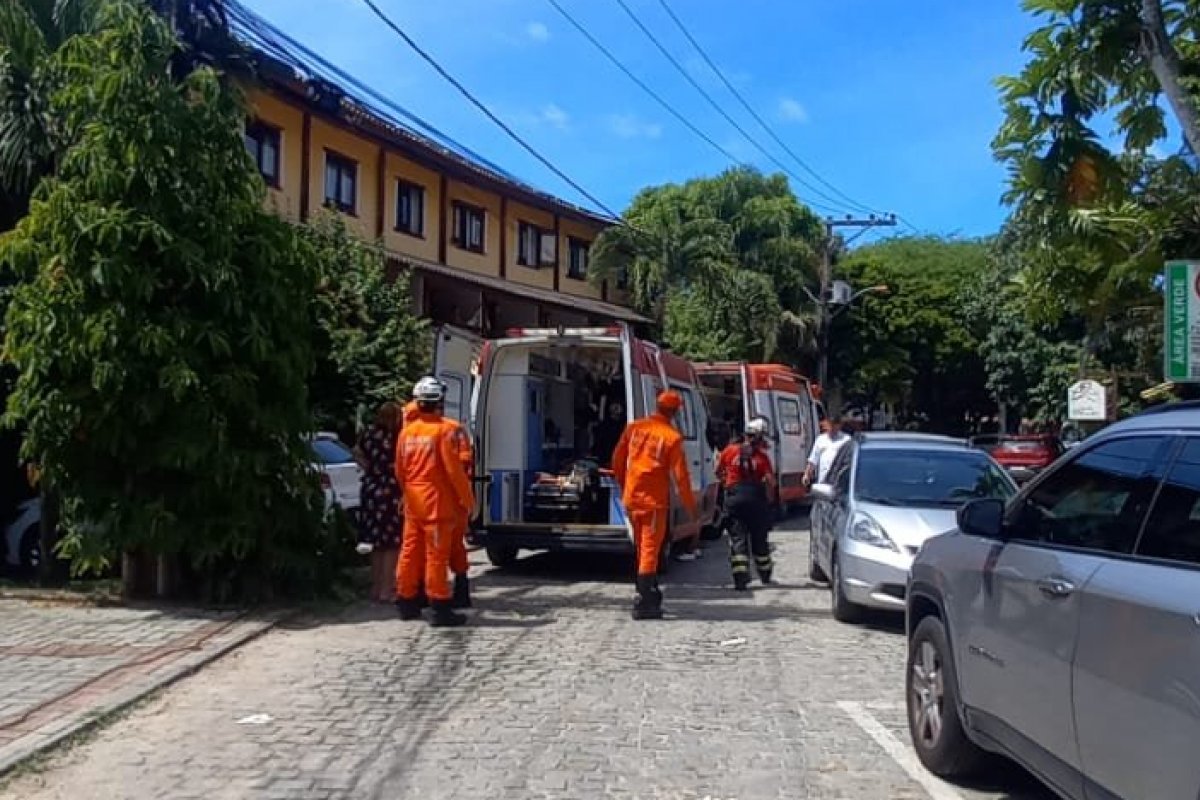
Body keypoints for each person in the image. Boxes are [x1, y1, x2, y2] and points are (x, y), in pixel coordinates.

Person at [394, 377, 475, 627]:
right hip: (437, 504)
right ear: (439, 401)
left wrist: (406, 494)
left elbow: (400, 469)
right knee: (436, 557)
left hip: (413, 502)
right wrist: (469, 501)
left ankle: (406, 602)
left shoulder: (407, 432)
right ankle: (440, 607)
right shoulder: (446, 430)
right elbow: (454, 471)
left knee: (409, 552)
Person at [611, 391, 697, 620]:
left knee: (641, 546)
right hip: (654, 502)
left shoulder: (635, 428)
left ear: (657, 406)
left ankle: (650, 590)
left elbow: (618, 459)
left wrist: (623, 483)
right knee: (650, 548)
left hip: (632, 498)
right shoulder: (671, 437)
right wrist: (691, 509)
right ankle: (644, 600)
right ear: (675, 412)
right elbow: (681, 477)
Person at [716, 417, 776, 590]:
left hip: (734, 499)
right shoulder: (762, 458)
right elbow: (771, 482)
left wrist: (727, 484)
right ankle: (765, 574)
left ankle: (740, 579)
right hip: (756, 501)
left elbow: (717, 470)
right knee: (759, 539)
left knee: (737, 539)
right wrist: (769, 502)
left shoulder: (729, 451)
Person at [356, 402, 404, 603]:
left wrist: (369, 467)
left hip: (371, 490)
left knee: (376, 543)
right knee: (392, 543)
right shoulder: (397, 437)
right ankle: (387, 589)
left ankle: (375, 588)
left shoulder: (368, 435)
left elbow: (356, 452)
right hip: (391, 491)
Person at [804, 413, 850, 486]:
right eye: (829, 425)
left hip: (840, 482)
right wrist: (807, 475)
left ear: (839, 425)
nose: (831, 428)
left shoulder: (846, 440)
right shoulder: (820, 439)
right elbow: (813, 460)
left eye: (834, 426)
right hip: (823, 481)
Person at [591, 402, 625, 467]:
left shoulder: (625, 424)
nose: (616, 407)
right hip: (605, 458)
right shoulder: (604, 425)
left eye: (618, 405)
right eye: (614, 405)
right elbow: (599, 442)